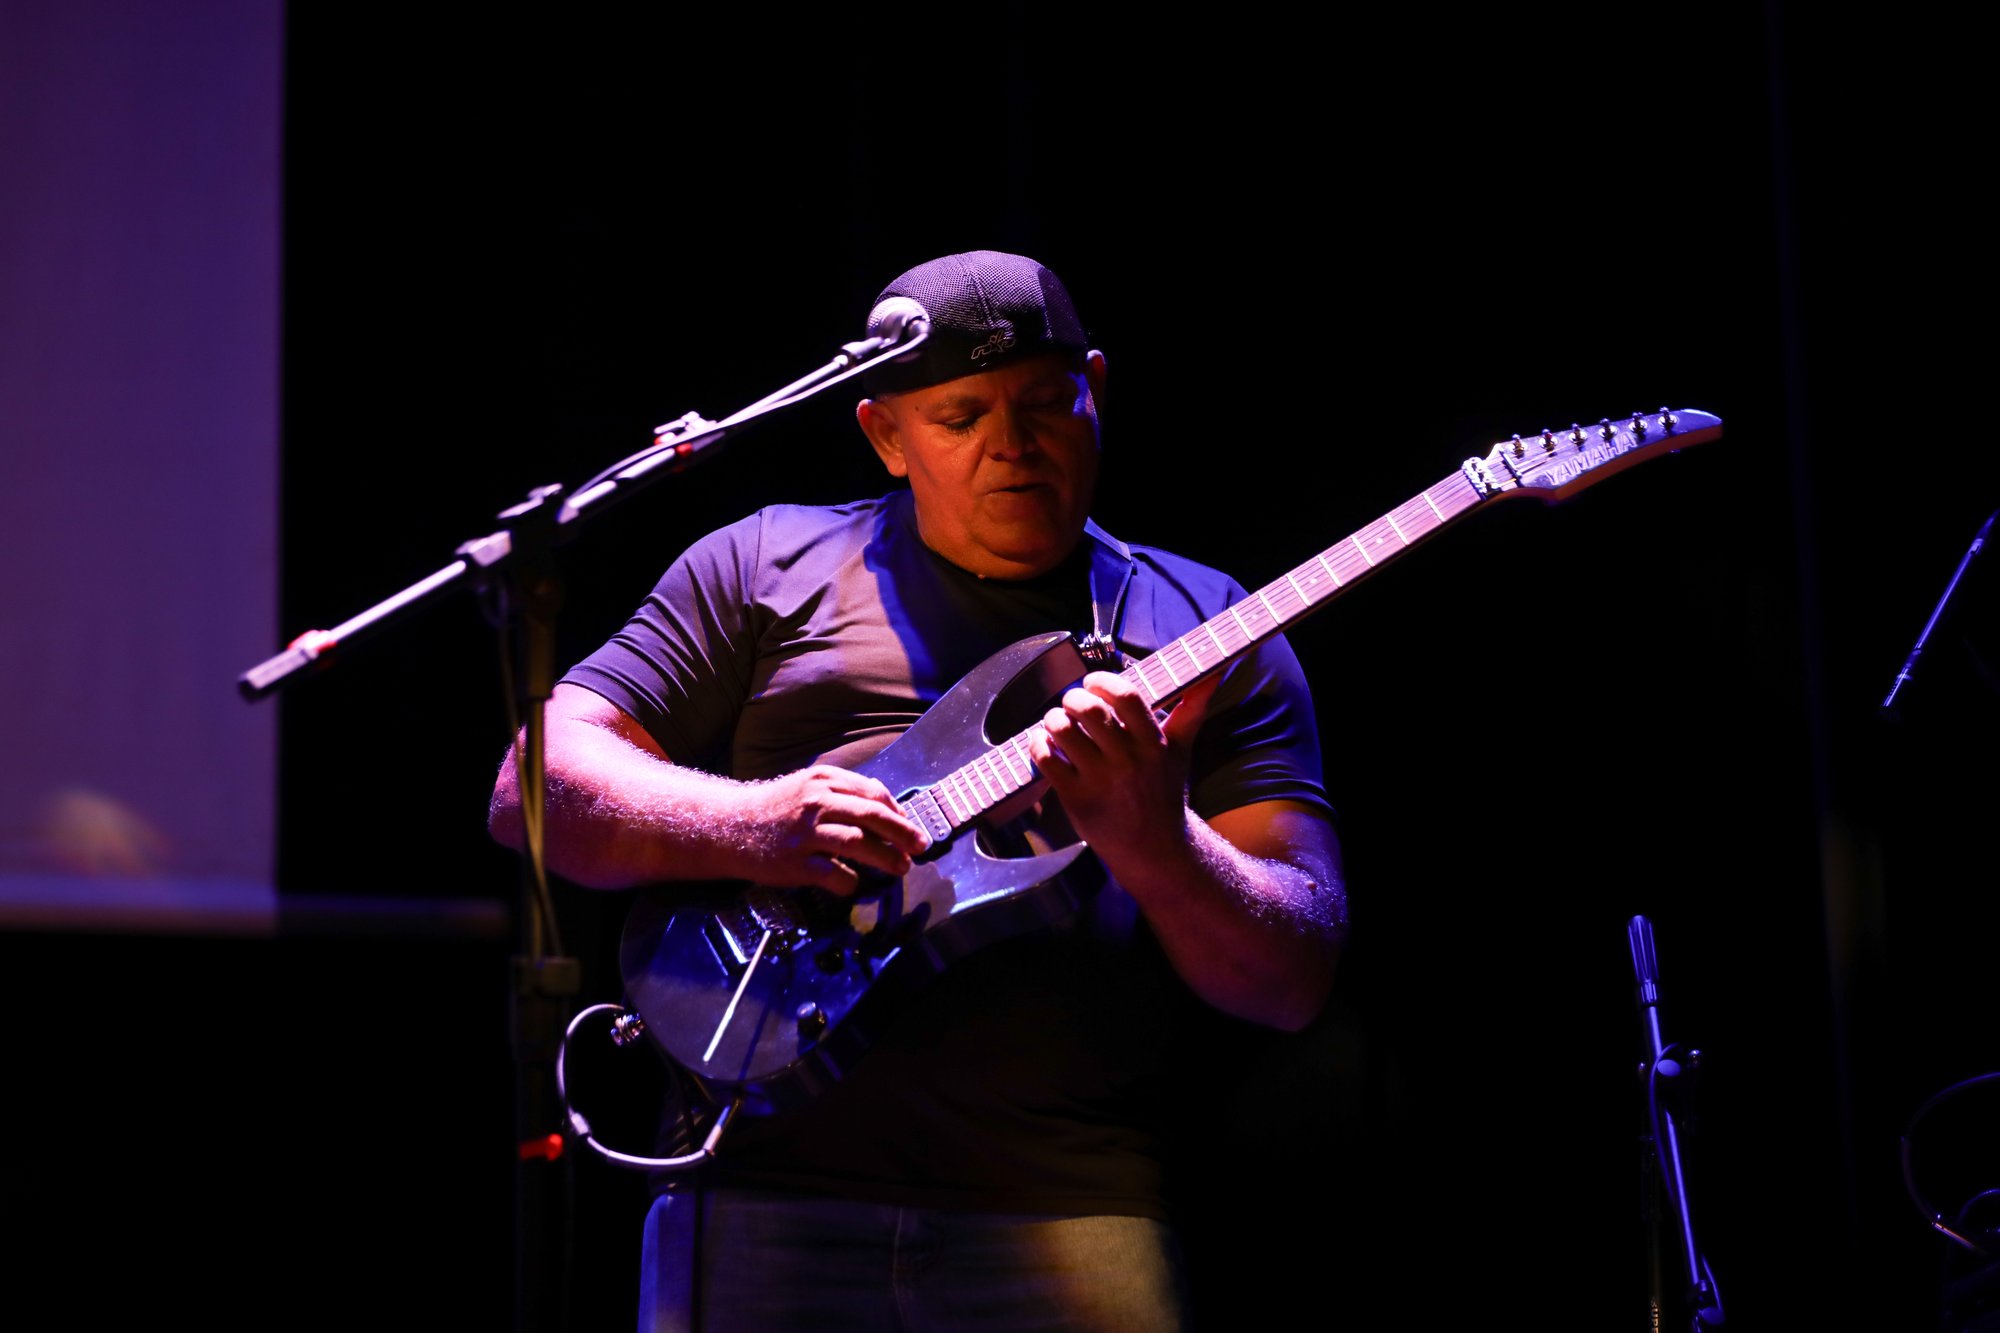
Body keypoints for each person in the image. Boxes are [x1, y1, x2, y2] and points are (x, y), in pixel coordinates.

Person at [488, 250, 1346, 1331]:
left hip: (1074, 1219)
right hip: (753, 1201)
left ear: (1097, 389)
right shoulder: (764, 565)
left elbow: (1290, 978)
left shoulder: (1207, 627)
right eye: (960, 415)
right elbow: (535, 783)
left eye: (1045, 401)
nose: (1011, 442)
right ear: (885, 435)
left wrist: (1157, 841)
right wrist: (756, 824)